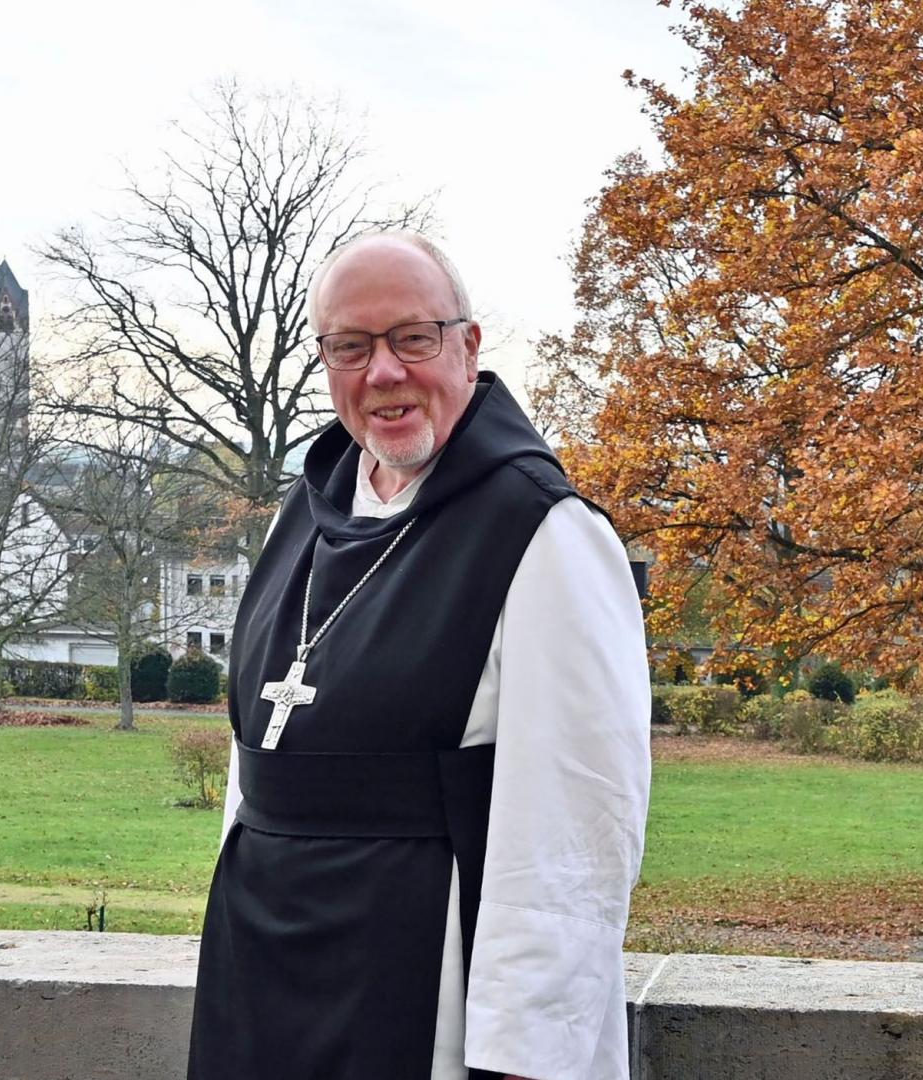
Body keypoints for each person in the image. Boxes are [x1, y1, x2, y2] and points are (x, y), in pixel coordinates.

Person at [187, 232, 651, 1080]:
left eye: (413, 339)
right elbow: (256, 768)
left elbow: (580, 821)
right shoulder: (308, 509)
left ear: (468, 345)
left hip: (417, 979)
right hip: (260, 974)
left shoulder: (544, 532)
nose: (384, 374)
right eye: (351, 348)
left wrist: (528, 1051)